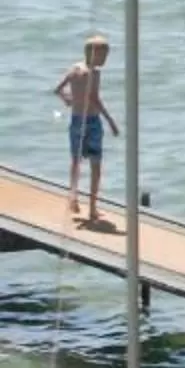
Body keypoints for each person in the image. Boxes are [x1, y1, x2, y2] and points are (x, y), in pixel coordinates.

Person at [55, 35, 119, 228]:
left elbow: (58, 89)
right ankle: (92, 208)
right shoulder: (94, 73)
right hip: (91, 121)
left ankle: (73, 197)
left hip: (76, 120)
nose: (105, 60)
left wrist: (68, 99)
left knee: (76, 161)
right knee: (95, 166)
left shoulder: (74, 69)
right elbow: (95, 99)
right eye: (103, 55)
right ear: (94, 54)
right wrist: (110, 121)